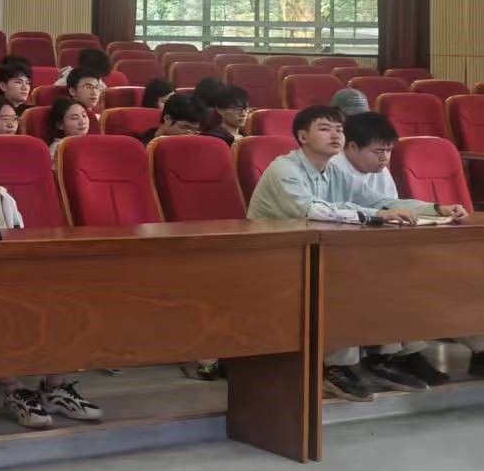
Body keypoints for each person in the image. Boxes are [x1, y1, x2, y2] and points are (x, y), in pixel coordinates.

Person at [248, 105, 465, 400]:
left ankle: (387, 357)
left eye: (339, 129)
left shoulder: (333, 172)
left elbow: (381, 202)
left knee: (394, 271)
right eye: (325, 129)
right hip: (273, 258)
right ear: (302, 136)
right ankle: (337, 368)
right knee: (349, 279)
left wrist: (436, 208)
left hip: (315, 253)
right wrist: (375, 215)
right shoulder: (284, 169)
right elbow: (312, 210)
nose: (335, 135)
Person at [137, 93, 206, 143]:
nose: (191, 135)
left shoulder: (196, 148)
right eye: (186, 128)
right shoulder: (142, 147)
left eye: (196, 131)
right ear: (167, 119)